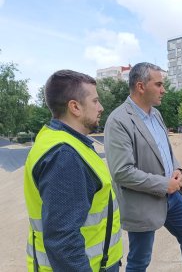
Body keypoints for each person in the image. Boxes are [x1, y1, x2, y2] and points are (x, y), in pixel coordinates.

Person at [104, 62, 182, 272]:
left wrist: (177, 169)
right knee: (140, 260)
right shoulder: (118, 121)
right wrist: (163, 184)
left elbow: (165, 150)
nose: (163, 90)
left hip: (172, 197)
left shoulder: (156, 114)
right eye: (159, 84)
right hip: (143, 202)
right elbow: (122, 172)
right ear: (141, 86)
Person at [24, 70, 123, 271]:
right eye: (95, 101)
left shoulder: (61, 141)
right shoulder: (64, 155)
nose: (101, 107)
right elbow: (63, 240)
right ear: (75, 107)